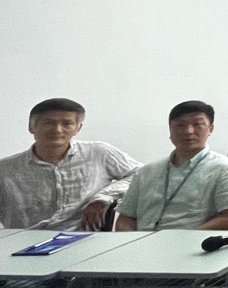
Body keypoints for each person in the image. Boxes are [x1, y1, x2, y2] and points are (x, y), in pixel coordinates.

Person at [0, 98, 140, 230]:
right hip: (23, 241)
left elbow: (140, 175)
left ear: (77, 128)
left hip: (82, 239)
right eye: (49, 123)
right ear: (31, 127)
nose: (57, 130)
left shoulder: (98, 153)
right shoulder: (6, 169)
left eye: (66, 124)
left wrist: (103, 197)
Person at [116, 101, 228, 231]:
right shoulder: (146, 172)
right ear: (170, 130)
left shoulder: (224, 168)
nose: (188, 131)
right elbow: (126, 217)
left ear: (210, 129)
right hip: (141, 245)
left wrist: (184, 240)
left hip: (192, 245)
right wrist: (130, 243)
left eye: (197, 124)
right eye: (180, 125)